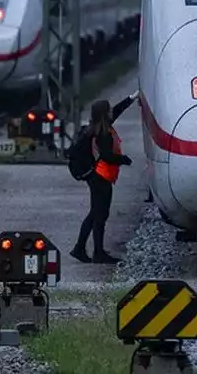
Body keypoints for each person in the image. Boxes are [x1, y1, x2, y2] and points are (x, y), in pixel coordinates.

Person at [69, 90, 138, 264]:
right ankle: (97, 253)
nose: (111, 112)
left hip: (97, 176)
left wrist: (131, 97)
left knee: (95, 214)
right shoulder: (103, 133)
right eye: (108, 110)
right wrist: (124, 159)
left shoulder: (96, 127)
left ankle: (80, 248)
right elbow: (107, 156)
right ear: (103, 114)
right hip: (101, 176)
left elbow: (117, 110)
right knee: (100, 215)